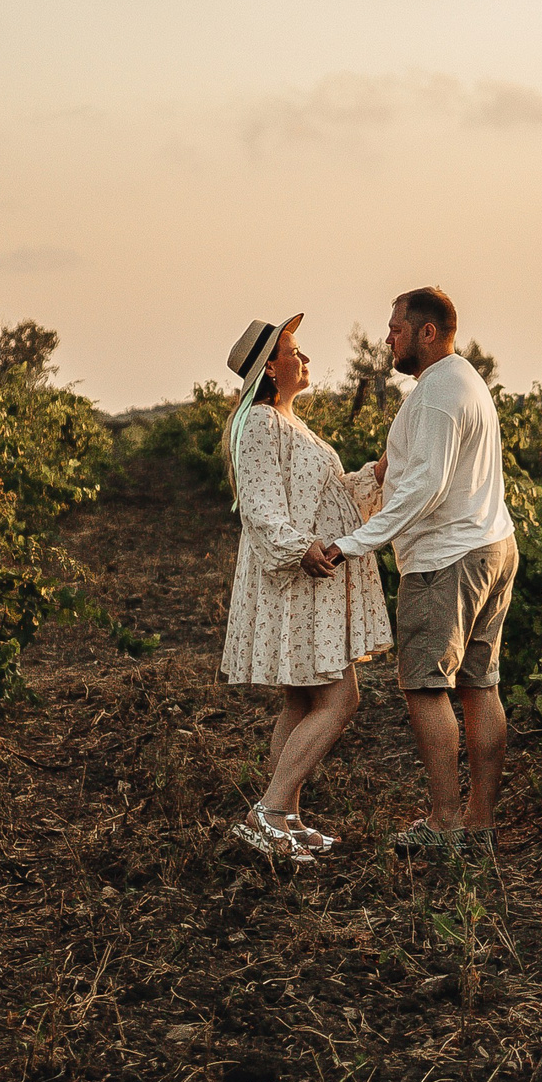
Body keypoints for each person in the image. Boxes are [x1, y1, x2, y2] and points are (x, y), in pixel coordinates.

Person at [302, 287, 516, 853]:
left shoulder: (441, 393)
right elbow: (410, 468)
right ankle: (480, 825)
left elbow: (425, 487)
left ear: (426, 331)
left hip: (448, 558)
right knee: (479, 683)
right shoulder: (460, 381)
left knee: (425, 686)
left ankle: (445, 825)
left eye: (395, 328)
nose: (387, 338)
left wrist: (353, 544)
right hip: (490, 544)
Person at [218, 314, 392, 863]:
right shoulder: (263, 423)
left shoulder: (293, 425)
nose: (307, 359)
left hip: (311, 580)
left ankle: (285, 818)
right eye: (296, 350)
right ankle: (268, 812)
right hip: (300, 579)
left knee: (301, 698)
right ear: (271, 366)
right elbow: (262, 508)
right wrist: (302, 548)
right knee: (342, 700)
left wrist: (376, 474)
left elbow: (329, 496)